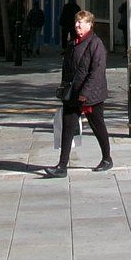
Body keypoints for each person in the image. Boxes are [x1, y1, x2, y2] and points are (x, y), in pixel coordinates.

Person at [41, 10, 113, 177]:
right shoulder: (73, 43)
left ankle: (107, 158)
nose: (77, 25)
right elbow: (68, 69)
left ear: (90, 24)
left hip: (90, 96)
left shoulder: (95, 44)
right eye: (76, 22)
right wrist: (63, 88)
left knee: (98, 126)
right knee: (68, 128)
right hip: (72, 94)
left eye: (81, 22)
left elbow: (97, 71)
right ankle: (62, 166)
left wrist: (85, 93)